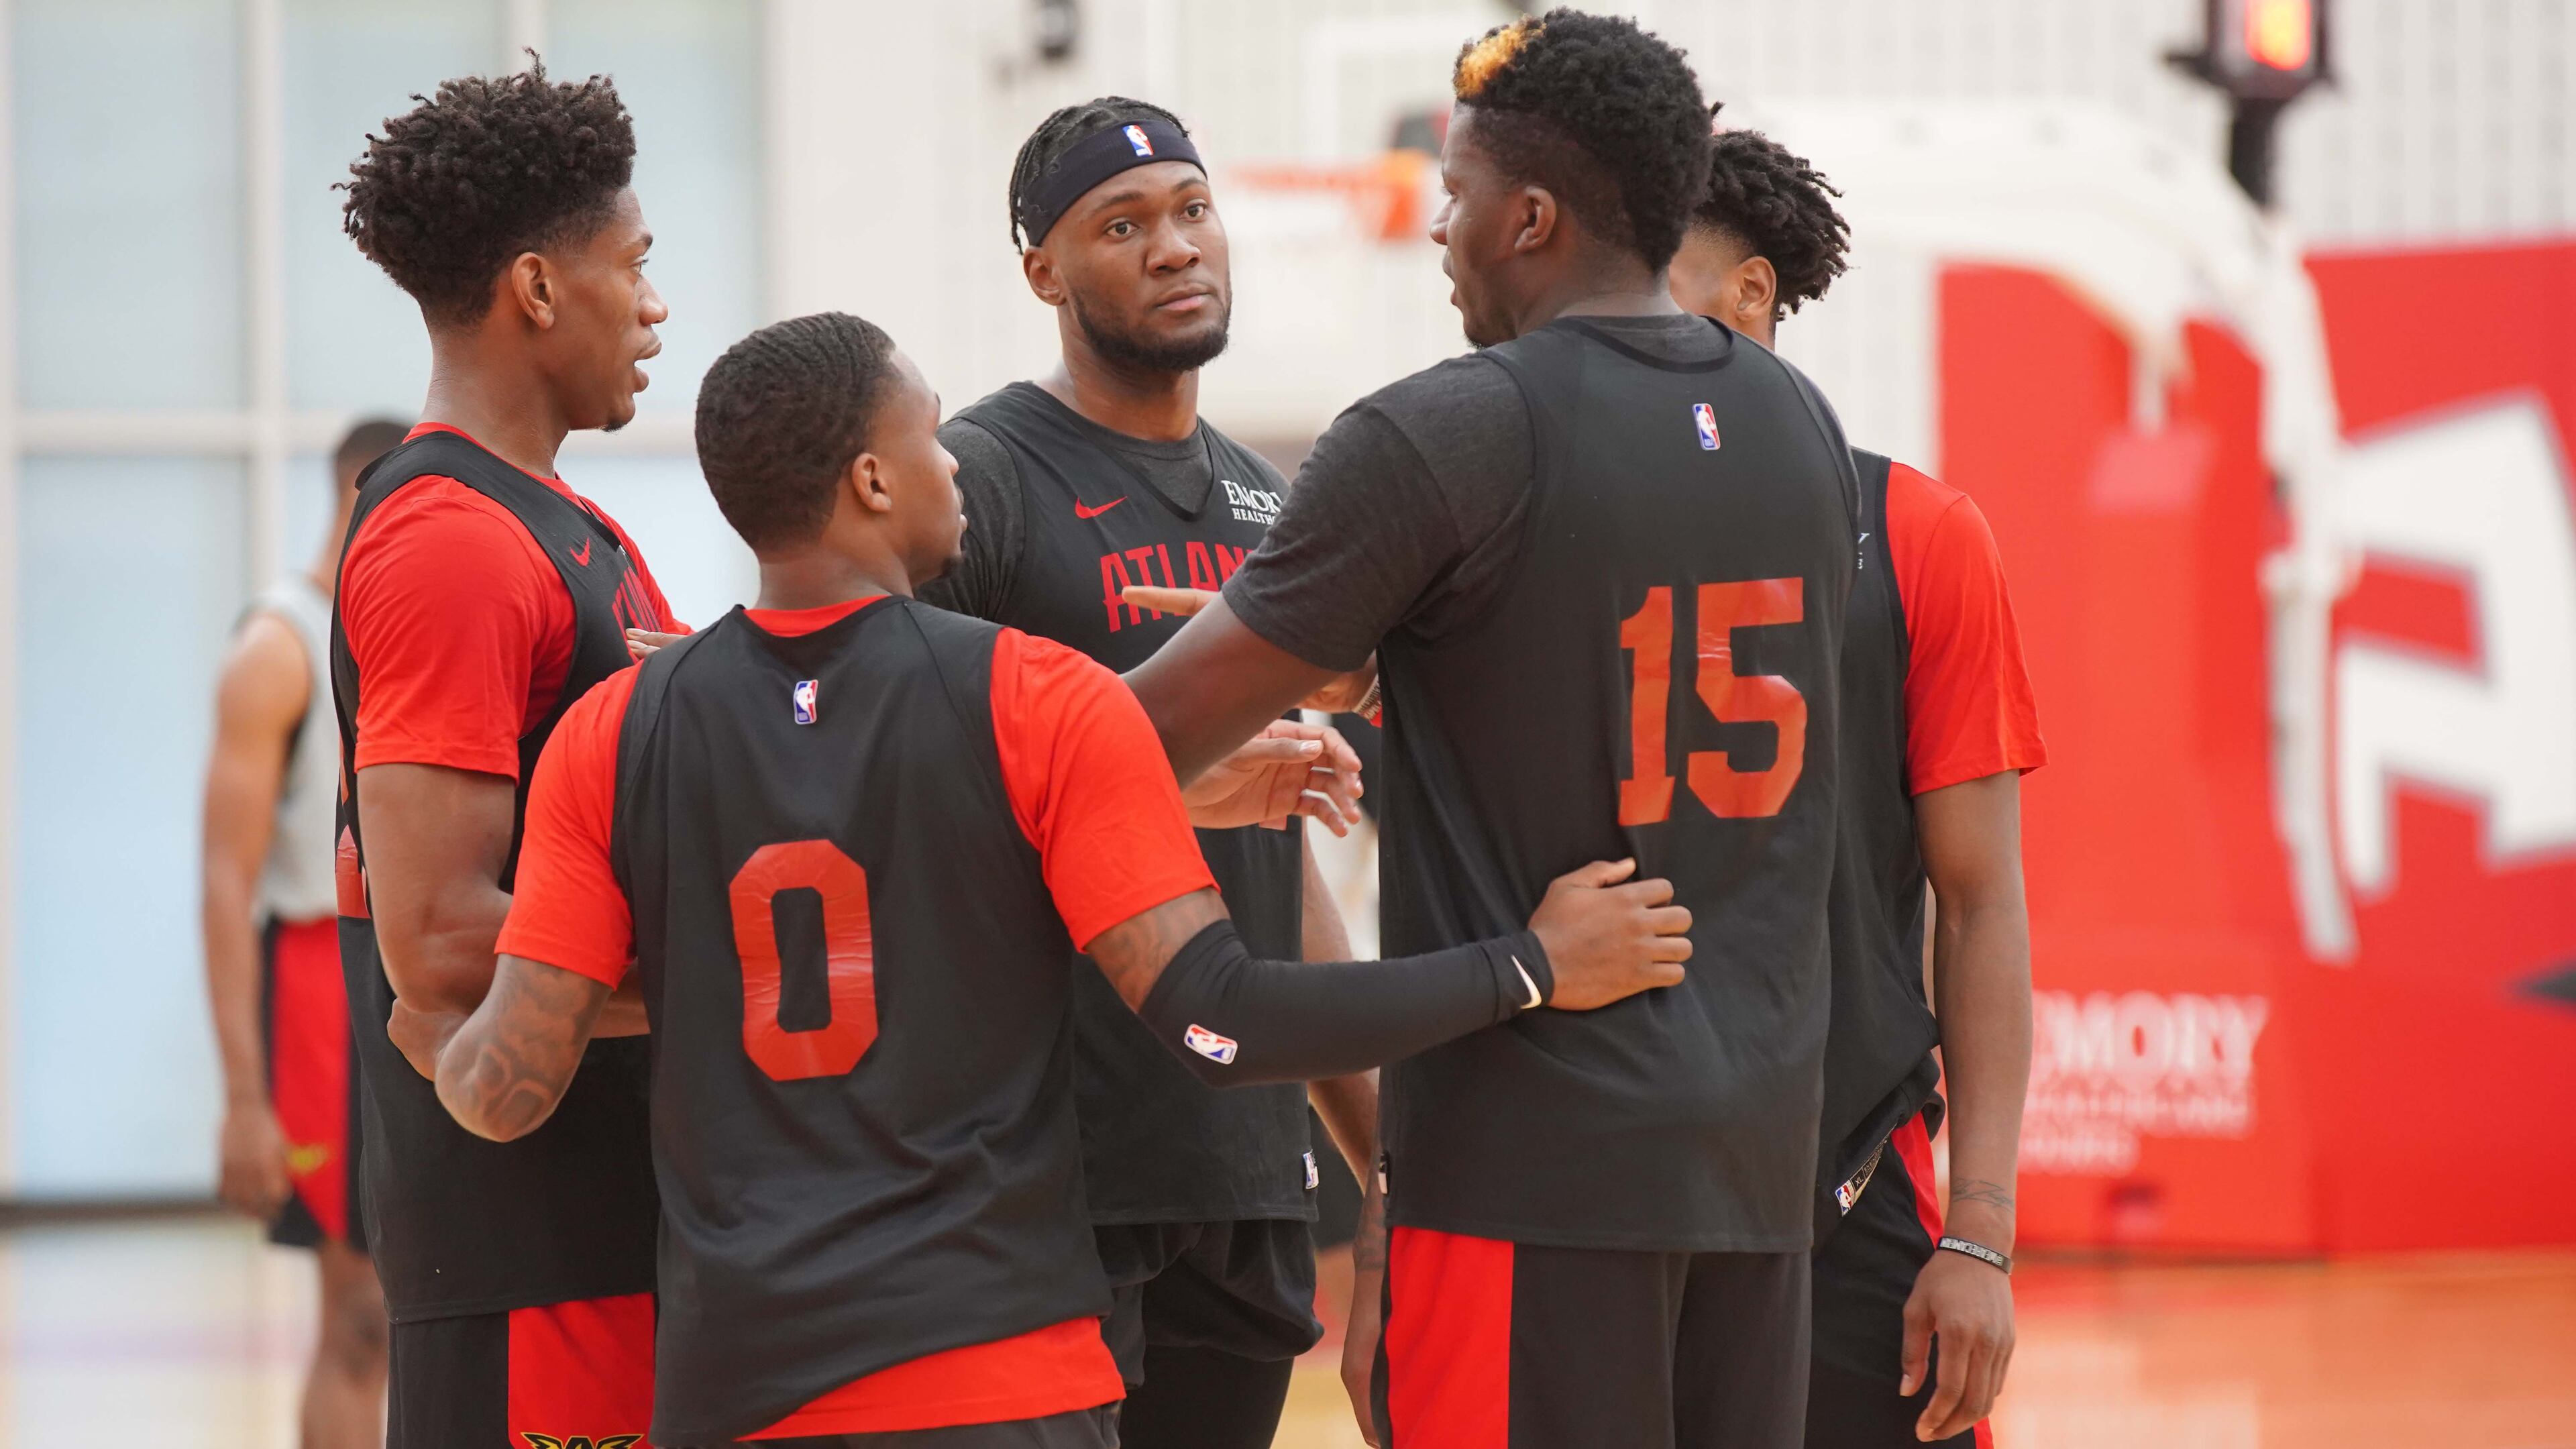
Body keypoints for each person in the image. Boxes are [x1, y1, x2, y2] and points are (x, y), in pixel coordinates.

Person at [390, 310, 1696, 1448]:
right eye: (931, 434)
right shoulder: (1032, 696)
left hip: (741, 1382)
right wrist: (1527, 966)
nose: (954, 459)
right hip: (994, 1369)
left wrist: (437, 1040)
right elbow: (1217, 1016)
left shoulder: (619, 730)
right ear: (871, 481)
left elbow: (509, 1089)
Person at [1123, 11, 1863, 1448]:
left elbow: (1135, 739)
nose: (1439, 235)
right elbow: (1634, 673)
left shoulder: (1443, 433)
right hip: (1759, 1158)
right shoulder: (1802, 424)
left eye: (1455, 199)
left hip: (1538, 1171)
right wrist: (1396, 668)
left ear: (1529, 217)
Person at [919, 95, 1377, 1448]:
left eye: (1190, 210)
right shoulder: (983, 480)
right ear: (1044, 273)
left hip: (1240, 1166)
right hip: (1048, 1165)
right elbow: (911, 779)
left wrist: (1379, 1150)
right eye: (1123, 225)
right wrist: (1167, 788)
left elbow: (1277, 865)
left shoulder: (1275, 509)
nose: (1175, 246)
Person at [1669, 117, 2047, 1448]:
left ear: (1750, 292)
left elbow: (1982, 901)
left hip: (1851, 1185)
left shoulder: (1918, 536)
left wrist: (1984, 1236)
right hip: (1613, 1195)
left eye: (1645, 270)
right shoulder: (1545, 528)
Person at [332, 62, 684, 1448]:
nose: (655, 306)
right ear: (539, 290)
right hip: (526, 1244)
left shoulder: (564, 529)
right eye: (636, 266)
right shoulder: (451, 541)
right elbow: (435, 942)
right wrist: (758, 967)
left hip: (612, 1217)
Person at [201, 417, 407, 1449]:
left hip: (417, 978)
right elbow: (220, 881)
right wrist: (244, 1099)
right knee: (362, 1320)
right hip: (322, 985)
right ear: (364, 491)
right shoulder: (277, 649)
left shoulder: (410, 628)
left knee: (426, 1318)